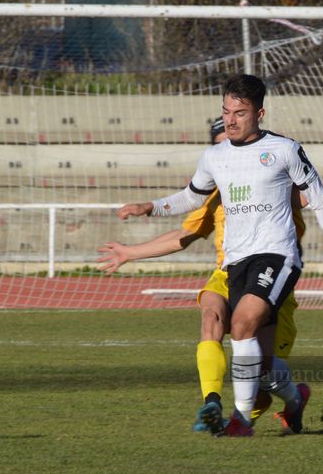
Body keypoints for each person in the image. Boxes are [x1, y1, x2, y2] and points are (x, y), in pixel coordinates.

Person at [115, 74, 323, 437]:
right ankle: (295, 400)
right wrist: (150, 206)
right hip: (236, 262)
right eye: (226, 112)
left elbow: (319, 197)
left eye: (239, 113)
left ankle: (240, 421)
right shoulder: (215, 156)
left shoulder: (284, 150)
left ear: (259, 114)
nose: (230, 120)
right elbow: (191, 197)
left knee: (241, 324)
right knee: (264, 368)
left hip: (277, 255)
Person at [98, 118, 307, 433]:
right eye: (223, 144)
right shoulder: (215, 192)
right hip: (227, 273)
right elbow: (183, 235)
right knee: (211, 314)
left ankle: (294, 400)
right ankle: (212, 402)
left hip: (268, 277)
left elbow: (306, 196)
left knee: (262, 378)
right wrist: (130, 252)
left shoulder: (275, 181)